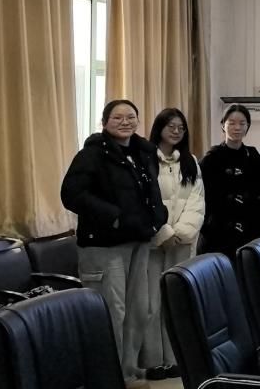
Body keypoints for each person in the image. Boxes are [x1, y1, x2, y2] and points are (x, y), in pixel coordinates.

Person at [61, 99, 167, 387]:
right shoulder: (92, 154)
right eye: (117, 117)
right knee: (112, 312)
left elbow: (151, 192)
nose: (125, 122)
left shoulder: (142, 153)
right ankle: (107, 377)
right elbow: (72, 194)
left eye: (130, 117)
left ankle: (127, 371)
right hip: (104, 246)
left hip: (138, 241)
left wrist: (158, 217)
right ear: (105, 122)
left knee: (137, 310)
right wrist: (114, 217)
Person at [142, 108, 204, 382]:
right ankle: (153, 361)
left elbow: (197, 201)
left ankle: (175, 358)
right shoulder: (144, 159)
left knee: (176, 301)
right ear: (159, 127)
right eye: (171, 126)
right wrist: (164, 233)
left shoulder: (190, 161)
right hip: (153, 243)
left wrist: (181, 232)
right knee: (151, 303)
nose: (176, 131)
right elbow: (143, 201)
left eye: (181, 127)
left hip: (181, 243)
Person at [199, 105, 260, 257]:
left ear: (248, 126)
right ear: (223, 125)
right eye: (231, 123)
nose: (237, 128)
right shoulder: (212, 157)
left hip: (249, 233)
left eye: (242, 123)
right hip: (218, 234)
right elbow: (203, 196)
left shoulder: (253, 155)